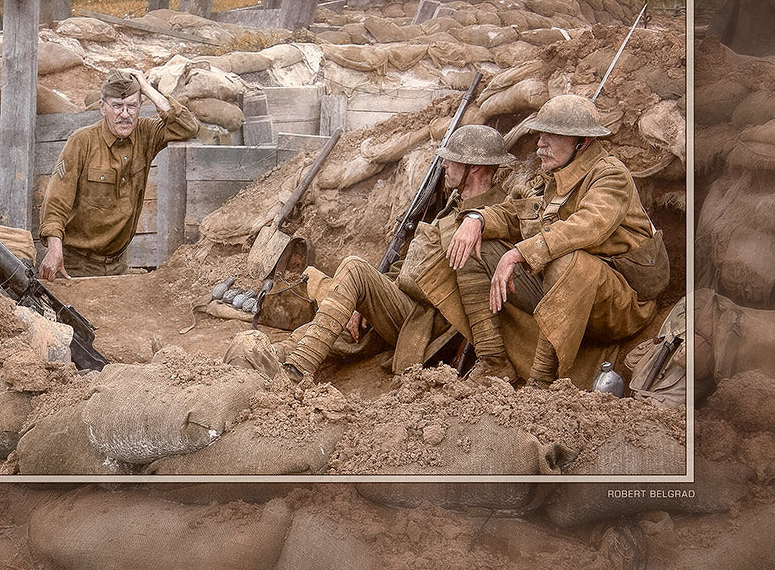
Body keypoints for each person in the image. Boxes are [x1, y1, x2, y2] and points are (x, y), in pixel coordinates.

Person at [446, 94, 662, 386]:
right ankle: (493, 361)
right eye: (540, 134)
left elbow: (586, 227)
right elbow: (514, 215)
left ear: (581, 143)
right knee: (475, 249)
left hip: (617, 305)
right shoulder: (553, 176)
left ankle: (541, 382)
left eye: (551, 136)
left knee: (568, 260)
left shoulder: (611, 176)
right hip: (559, 290)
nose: (540, 144)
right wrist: (477, 219)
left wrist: (518, 254)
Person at [281, 124, 515, 382]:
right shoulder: (455, 205)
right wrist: (367, 299)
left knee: (354, 267)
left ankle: (297, 371)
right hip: (404, 303)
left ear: (475, 167)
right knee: (318, 330)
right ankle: (281, 359)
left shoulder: (492, 214)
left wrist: (478, 220)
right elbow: (412, 262)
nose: (444, 165)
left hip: (425, 321)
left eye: (452, 160)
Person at [38, 68, 199, 279]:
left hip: (119, 265)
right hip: (75, 265)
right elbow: (56, 201)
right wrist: (54, 248)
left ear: (141, 106)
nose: (125, 114)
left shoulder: (146, 133)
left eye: (132, 106)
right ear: (102, 108)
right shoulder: (82, 141)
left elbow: (187, 127)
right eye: (117, 106)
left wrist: (146, 88)